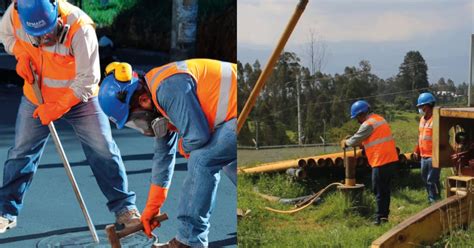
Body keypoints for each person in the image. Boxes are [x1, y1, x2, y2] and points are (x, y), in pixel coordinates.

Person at [0, 0, 138, 233]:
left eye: (47, 33)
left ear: (57, 16)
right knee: (21, 152)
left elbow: (88, 80)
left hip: (80, 99)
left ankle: (125, 209)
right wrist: (22, 53)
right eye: (37, 35)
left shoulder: (80, 28)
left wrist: (57, 108)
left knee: (103, 148)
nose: (43, 40)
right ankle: (5, 211)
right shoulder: (15, 13)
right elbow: (7, 37)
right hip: (37, 94)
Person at [98, 59, 237, 248]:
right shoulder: (155, 98)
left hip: (244, 107)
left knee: (202, 159)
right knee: (227, 162)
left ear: (143, 101)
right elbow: (163, 157)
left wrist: (183, 147)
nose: (140, 127)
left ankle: (188, 242)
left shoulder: (167, 89)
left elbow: (197, 138)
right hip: (233, 115)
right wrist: (151, 209)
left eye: (135, 120)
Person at [341, 100, 398, 225]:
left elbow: (355, 140)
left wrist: (346, 142)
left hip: (380, 161)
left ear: (362, 114)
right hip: (390, 160)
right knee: (385, 190)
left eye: (357, 117)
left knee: (378, 190)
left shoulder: (368, 124)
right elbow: (374, 138)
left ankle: (379, 219)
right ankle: (384, 217)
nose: (357, 120)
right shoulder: (379, 119)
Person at [413, 92, 439, 203]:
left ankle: (435, 200)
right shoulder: (422, 120)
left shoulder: (436, 120)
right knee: (425, 178)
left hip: (434, 156)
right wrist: (416, 150)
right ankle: (431, 197)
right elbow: (421, 137)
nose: (420, 109)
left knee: (431, 180)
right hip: (424, 156)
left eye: (421, 106)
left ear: (428, 106)